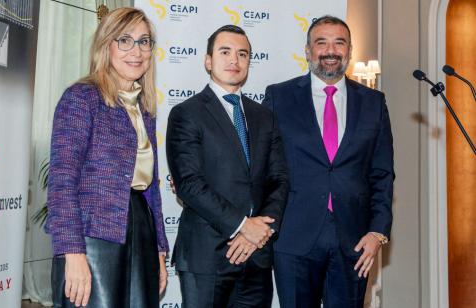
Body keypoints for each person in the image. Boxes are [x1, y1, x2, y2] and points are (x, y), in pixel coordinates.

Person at [263, 15, 394, 308]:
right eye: (321, 43)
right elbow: (262, 167)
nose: (331, 50)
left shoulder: (374, 103)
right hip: (293, 238)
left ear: (349, 50)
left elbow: (382, 174)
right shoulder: (278, 97)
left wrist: (378, 231)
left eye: (339, 43)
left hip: (355, 240)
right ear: (308, 51)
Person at [45, 7, 169, 308]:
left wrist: (160, 250)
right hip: (93, 238)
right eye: (124, 40)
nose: (136, 51)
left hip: (140, 229)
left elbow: (150, 188)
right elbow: (62, 182)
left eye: (144, 41)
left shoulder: (145, 108)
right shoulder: (81, 98)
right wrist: (72, 253)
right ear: (106, 45)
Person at [166, 25, 289, 308]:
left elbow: (279, 179)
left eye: (242, 54)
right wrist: (244, 226)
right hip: (206, 257)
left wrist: (259, 232)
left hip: (257, 256)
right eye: (225, 52)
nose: (234, 60)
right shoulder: (186, 113)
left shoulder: (264, 117)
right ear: (208, 61)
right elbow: (189, 184)